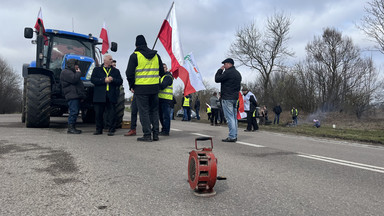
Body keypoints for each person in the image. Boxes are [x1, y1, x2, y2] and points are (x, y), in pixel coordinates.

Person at [126, 35, 165, 142]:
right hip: (154, 89)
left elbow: (129, 73)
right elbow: (162, 72)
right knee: (154, 111)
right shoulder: (156, 56)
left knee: (144, 112)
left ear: (136, 45)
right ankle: (156, 134)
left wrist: (132, 85)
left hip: (141, 89)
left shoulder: (135, 56)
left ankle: (147, 135)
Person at [91, 54, 123, 136]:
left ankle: (111, 129)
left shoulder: (116, 71)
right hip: (99, 95)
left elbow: (120, 81)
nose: (112, 60)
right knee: (98, 113)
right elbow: (93, 80)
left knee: (111, 113)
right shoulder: (97, 70)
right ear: (105, 61)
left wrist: (113, 79)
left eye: (112, 59)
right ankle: (99, 129)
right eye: (110, 59)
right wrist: (103, 80)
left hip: (111, 95)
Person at [215, 58, 242, 142]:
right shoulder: (238, 74)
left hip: (227, 98)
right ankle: (234, 135)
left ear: (230, 64)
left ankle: (232, 136)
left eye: (225, 64)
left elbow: (217, 79)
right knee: (234, 118)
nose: (224, 66)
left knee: (229, 118)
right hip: (235, 98)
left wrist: (220, 70)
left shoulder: (228, 72)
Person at [60, 59, 85, 134]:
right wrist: (79, 73)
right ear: (72, 65)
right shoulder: (66, 72)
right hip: (72, 95)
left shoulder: (70, 72)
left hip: (75, 94)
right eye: (76, 65)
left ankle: (72, 127)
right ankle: (71, 128)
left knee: (75, 111)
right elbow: (74, 79)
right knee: (74, 111)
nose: (77, 67)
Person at [158, 63, 173, 136]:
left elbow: (163, 86)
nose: (163, 68)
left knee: (166, 116)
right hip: (160, 99)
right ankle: (164, 129)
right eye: (162, 67)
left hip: (166, 100)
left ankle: (166, 131)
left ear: (166, 68)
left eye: (164, 67)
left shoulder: (168, 76)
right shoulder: (161, 77)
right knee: (161, 116)